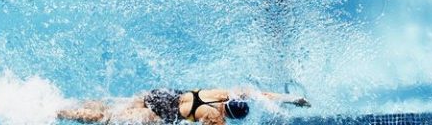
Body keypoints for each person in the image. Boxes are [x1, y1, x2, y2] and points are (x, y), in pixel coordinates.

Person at [57, 88, 308, 123]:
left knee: (107, 107)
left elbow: (260, 93)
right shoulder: (215, 118)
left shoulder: (221, 93)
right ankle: (58, 111)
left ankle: (66, 103)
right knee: (106, 120)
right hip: (153, 115)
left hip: (157, 95)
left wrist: (293, 99)